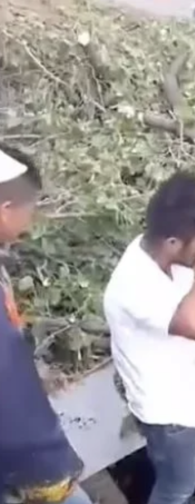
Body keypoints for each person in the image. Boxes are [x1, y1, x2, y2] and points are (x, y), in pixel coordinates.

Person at [103, 172, 195, 504]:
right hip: (168, 414)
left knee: (176, 476)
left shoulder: (168, 257)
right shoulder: (135, 285)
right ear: (173, 242)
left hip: (183, 395)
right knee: (177, 486)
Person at [0, 146, 92, 504]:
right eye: (31, 210)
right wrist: (48, 468)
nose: (31, 222)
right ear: (6, 210)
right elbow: (8, 384)